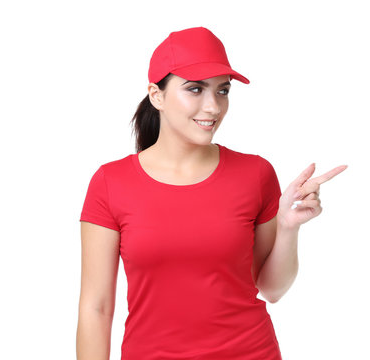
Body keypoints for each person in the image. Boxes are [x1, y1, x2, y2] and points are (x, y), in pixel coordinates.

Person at [76, 26, 347, 360]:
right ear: (156, 95)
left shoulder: (256, 174)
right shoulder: (110, 183)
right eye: (194, 89)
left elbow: (271, 289)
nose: (213, 107)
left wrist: (288, 227)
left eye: (222, 91)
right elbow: (96, 307)